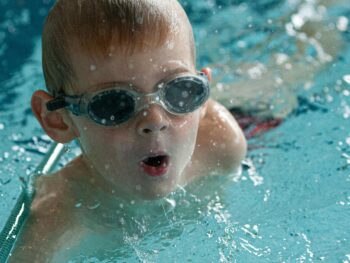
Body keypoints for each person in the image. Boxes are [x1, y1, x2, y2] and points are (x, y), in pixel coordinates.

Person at [9, 0, 247, 261]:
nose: (154, 121)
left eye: (180, 91)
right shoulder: (55, 219)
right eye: (114, 103)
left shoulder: (220, 144)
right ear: (58, 120)